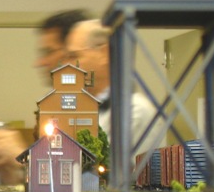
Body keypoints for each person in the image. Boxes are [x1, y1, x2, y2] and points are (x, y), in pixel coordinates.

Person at [0, 9, 91, 184]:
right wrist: (11, 173)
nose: (39, 63)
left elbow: (85, 183)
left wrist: (22, 158)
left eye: (48, 52)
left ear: (73, 54)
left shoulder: (123, 115)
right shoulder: (57, 110)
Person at [65, 19, 165, 156]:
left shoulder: (135, 110)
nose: (67, 65)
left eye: (74, 56)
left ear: (104, 53)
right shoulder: (82, 107)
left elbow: (107, 165)